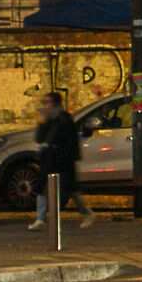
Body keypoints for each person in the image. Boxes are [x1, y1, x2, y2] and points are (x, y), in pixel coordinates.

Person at [28, 92, 94, 231]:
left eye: (48, 102)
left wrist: (66, 156)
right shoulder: (48, 119)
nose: (45, 105)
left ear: (55, 104)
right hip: (50, 158)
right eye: (44, 102)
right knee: (41, 186)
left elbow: (68, 141)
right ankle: (40, 218)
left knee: (71, 189)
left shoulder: (64, 119)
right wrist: (42, 123)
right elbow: (39, 138)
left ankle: (87, 213)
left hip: (63, 160)